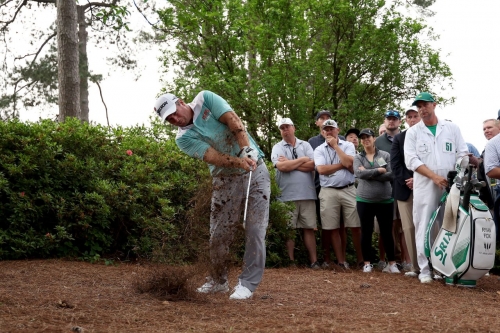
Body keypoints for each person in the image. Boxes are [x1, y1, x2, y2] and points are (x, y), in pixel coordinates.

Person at [153, 91, 270, 300]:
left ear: (180, 102)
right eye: (169, 119)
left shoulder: (205, 99)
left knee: (255, 228)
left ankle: (247, 284)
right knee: (218, 234)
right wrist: (239, 161)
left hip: (256, 171)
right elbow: (212, 156)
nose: (174, 119)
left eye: (174, 113)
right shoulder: (183, 139)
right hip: (224, 179)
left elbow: (233, 120)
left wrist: (246, 149)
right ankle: (218, 281)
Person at [404, 92, 468, 284]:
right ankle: (425, 269)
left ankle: (444, 267)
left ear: (434, 105)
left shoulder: (451, 128)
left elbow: (462, 153)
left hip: (451, 185)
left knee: (449, 224)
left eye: (425, 105)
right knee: (424, 224)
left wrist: (457, 173)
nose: (422, 109)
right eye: (419, 106)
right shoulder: (413, 132)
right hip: (425, 185)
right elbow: (411, 160)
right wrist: (433, 176)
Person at [313, 119, 362, 269]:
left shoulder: (348, 145)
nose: (328, 131)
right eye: (325, 129)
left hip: (348, 189)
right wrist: (343, 164)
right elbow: (321, 170)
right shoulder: (319, 149)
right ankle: (342, 262)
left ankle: (361, 260)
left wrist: (335, 146)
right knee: (332, 228)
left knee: (355, 226)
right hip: (328, 191)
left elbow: (351, 165)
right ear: (322, 132)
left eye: (331, 129)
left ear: (337, 130)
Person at [271, 118, 319, 269]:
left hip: (307, 194)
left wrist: (292, 163)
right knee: (289, 230)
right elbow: (282, 167)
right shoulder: (277, 147)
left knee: (309, 228)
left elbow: (313, 165)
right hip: (286, 195)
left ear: (294, 128)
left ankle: (314, 262)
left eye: (287, 127)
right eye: (282, 128)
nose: (285, 130)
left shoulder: (305, 145)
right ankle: (291, 262)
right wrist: (302, 160)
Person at [353, 128, 400, 273]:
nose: (366, 140)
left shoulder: (385, 155)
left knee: (387, 232)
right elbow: (358, 173)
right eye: (363, 138)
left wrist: (368, 173)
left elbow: (391, 174)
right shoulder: (358, 157)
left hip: (385, 200)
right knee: (366, 232)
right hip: (364, 200)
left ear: (374, 139)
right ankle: (367, 263)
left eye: (368, 137)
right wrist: (379, 171)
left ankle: (392, 263)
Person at [390, 106, 421, 277]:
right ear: (406, 120)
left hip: (425, 186)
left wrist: (419, 179)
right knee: (408, 228)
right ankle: (415, 266)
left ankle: (433, 266)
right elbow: (395, 165)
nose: (412, 119)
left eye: (415, 116)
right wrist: (408, 181)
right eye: (409, 117)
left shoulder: (427, 137)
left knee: (428, 226)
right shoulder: (399, 139)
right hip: (404, 189)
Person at [308, 110, 340, 268]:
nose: (326, 121)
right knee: (322, 224)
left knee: (339, 225)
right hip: (317, 186)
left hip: (340, 186)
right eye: (322, 119)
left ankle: (341, 259)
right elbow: (311, 164)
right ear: (317, 123)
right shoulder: (312, 142)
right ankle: (325, 258)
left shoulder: (340, 140)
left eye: (328, 118)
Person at [375, 110, 405, 268]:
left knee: (406, 226)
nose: (391, 121)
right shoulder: (378, 142)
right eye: (389, 119)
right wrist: (387, 173)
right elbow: (379, 162)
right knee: (389, 226)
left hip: (406, 186)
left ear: (400, 121)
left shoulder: (407, 138)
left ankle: (408, 261)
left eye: (394, 119)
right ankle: (393, 260)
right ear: (385, 121)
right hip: (386, 188)